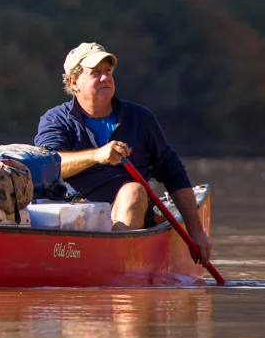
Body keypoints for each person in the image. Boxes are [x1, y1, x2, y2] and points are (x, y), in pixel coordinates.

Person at [34, 42, 212, 262]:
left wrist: (196, 232)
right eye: (95, 73)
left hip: (130, 214)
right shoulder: (55, 120)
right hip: (74, 218)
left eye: (108, 71)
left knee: (134, 190)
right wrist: (96, 155)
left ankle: (115, 262)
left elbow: (173, 173)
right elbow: (48, 167)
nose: (105, 78)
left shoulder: (140, 118)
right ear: (73, 82)